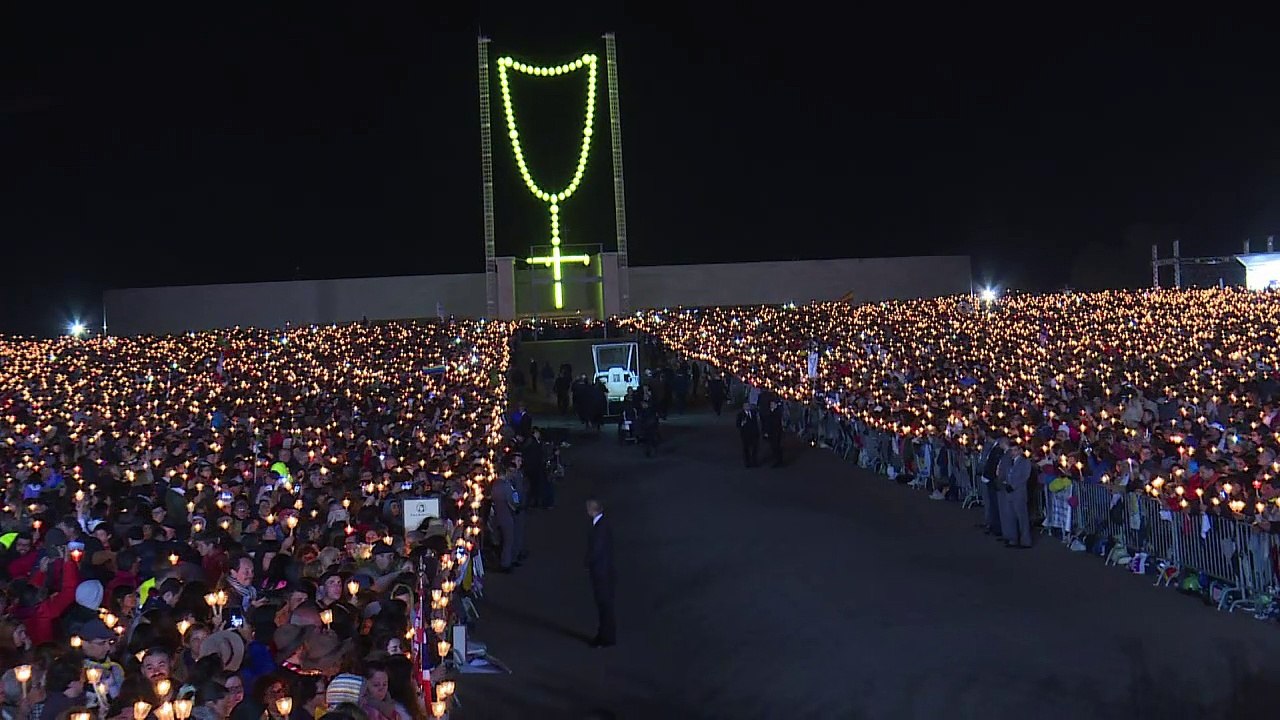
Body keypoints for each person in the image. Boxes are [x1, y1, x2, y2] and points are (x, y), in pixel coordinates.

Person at [584, 498, 615, 648]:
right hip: (606, 569)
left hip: (601, 572)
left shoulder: (599, 528)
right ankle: (607, 635)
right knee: (605, 605)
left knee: (603, 604)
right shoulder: (604, 524)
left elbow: (595, 551)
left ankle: (605, 637)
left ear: (592, 510)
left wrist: (587, 563)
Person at [999, 445, 1034, 549]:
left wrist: (1013, 486)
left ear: (1020, 451)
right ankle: (1012, 539)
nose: (1013, 453)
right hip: (1009, 492)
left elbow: (1024, 477)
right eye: (1011, 450)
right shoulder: (1009, 462)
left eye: (1015, 450)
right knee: (1010, 516)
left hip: (1019, 493)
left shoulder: (1025, 462)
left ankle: (1025, 541)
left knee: (1022, 517)